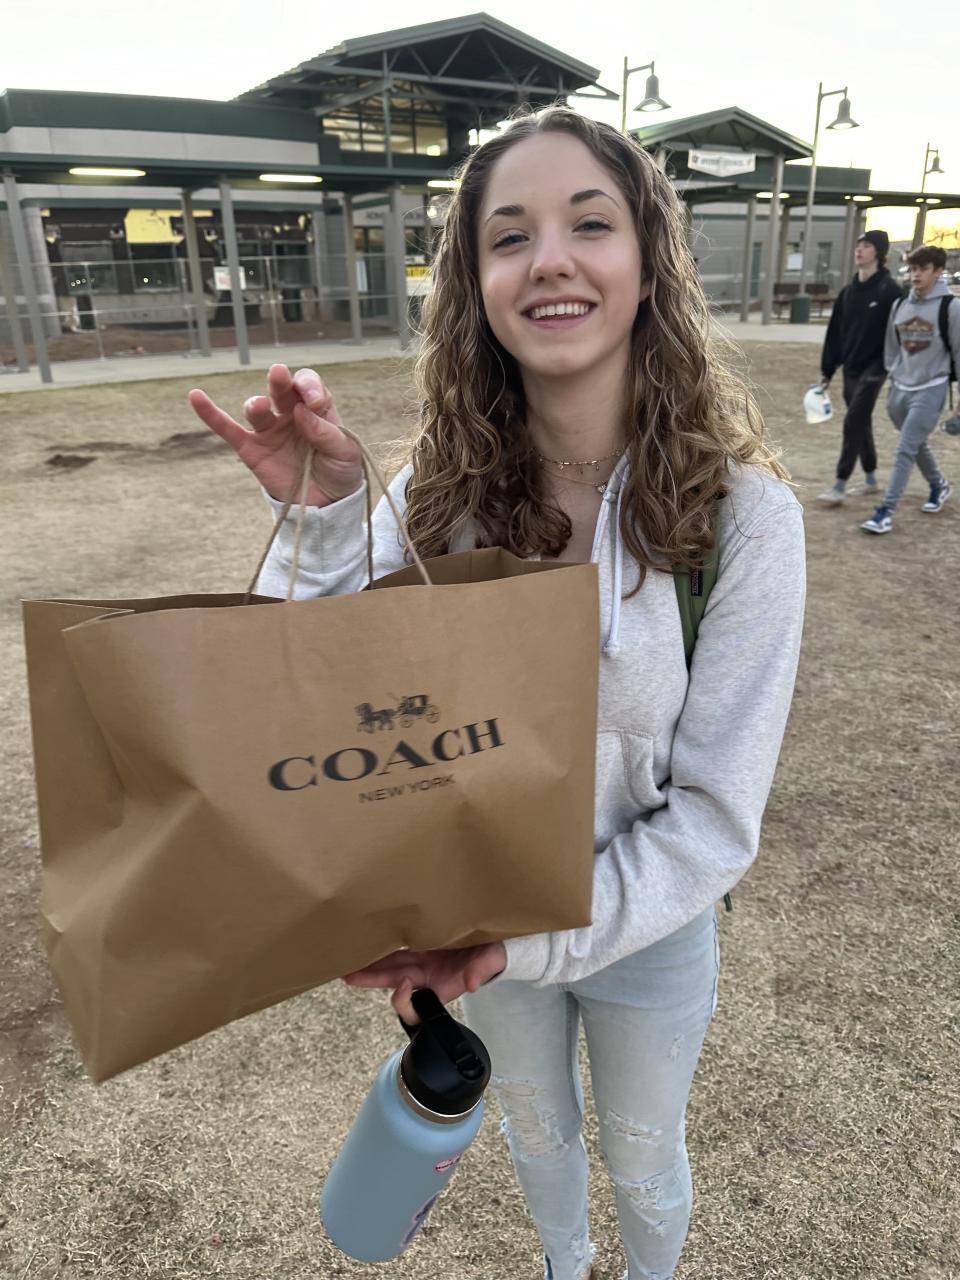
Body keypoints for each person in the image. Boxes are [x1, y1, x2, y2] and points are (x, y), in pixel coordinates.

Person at [189, 108, 806, 1280]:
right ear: (477, 284)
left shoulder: (746, 518)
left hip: (646, 925)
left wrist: (520, 939)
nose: (551, 259)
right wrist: (323, 513)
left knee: (645, 1152)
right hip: (476, 921)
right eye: (510, 236)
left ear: (648, 264)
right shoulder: (439, 492)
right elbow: (313, 697)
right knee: (536, 1132)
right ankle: (565, 1266)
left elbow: (716, 816)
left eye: (591, 224)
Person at [861, 244, 958, 534]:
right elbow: (892, 347)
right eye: (913, 269)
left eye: (923, 269)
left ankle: (885, 511)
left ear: (938, 271)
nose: (916, 275)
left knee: (905, 448)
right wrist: (894, 375)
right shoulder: (901, 306)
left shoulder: (951, 307)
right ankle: (939, 485)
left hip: (932, 387)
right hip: (900, 388)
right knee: (914, 443)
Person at [815, 229, 903, 506]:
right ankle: (871, 479)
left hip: (876, 368)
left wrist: (896, 367)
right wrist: (827, 371)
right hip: (850, 367)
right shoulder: (848, 293)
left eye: (866, 245)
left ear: (879, 252)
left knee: (853, 420)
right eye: (858, 245)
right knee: (861, 421)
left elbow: (901, 332)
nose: (859, 249)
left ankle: (839, 484)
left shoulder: (891, 291)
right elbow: (835, 334)